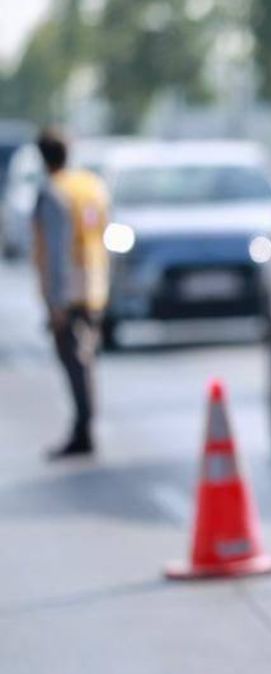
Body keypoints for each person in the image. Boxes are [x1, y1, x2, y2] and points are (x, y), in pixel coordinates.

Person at [31, 128, 111, 459]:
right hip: (94, 284)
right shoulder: (91, 186)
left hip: (69, 290)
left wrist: (56, 303)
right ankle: (84, 425)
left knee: (74, 360)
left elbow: (57, 248)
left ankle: (83, 429)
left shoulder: (53, 193)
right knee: (84, 359)